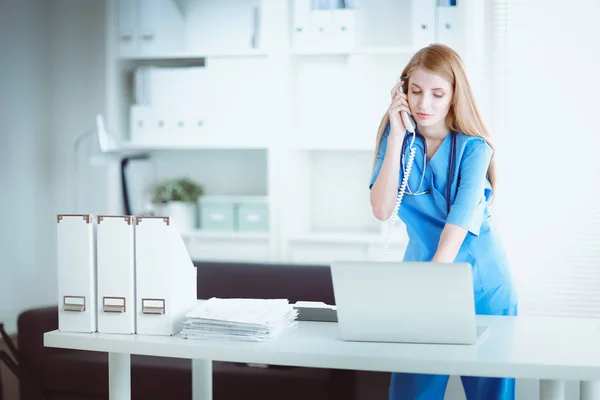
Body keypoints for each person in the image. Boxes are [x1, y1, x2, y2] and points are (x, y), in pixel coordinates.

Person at [369, 43, 518, 400]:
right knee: (413, 391)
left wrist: (430, 292)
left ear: (454, 96)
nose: (424, 105)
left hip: (481, 286)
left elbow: (455, 230)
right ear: (402, 91)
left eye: (437, 94)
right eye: (416, 92)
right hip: (425, 277)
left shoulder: (474, 148)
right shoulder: (399, 143)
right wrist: (397, 137)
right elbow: (381, 209)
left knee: (489, 393)